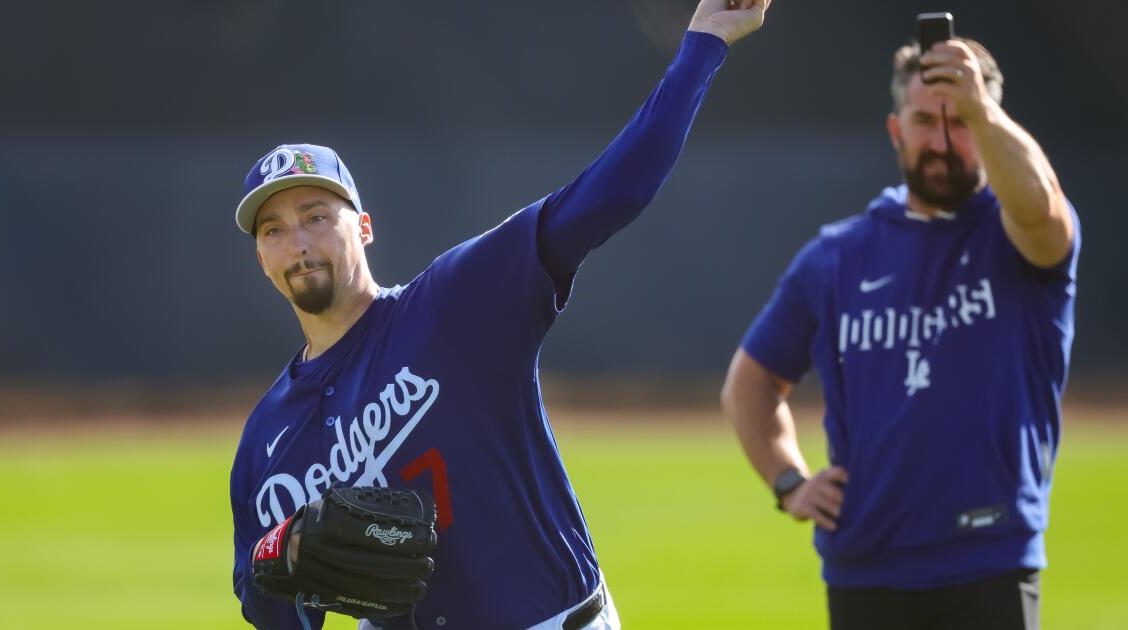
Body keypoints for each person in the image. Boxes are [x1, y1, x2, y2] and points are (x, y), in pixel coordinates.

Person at [229, 2, 773, 628]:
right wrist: (282, 553)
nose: (298, 242)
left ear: (365, 228)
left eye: (317, 216)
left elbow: (612, 191)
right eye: (274, 229)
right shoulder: (265, 446)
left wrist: (706, 39)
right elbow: (270, 609)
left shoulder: (456, 304)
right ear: (261, 258)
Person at [721, 35, 1078, 630]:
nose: (942, 141)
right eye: (923, 122)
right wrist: (789, 481)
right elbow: (749, 383)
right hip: (866, 570)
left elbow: (1041, 209)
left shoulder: (1015, 235)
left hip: (989, 561)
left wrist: (983, 110)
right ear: (896, 131)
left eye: (960, 122)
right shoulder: (837, 255)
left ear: (988, 127)